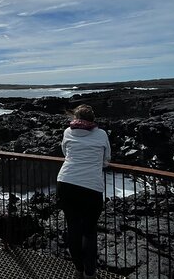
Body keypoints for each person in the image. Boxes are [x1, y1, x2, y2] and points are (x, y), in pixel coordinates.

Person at [56, 104, 111, 279]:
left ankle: (78, 270)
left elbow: (65, 152)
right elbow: (106, 160)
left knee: (73, 228)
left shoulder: (67, 132)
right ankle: (90, 273)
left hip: (66, 182)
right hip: (91, 188)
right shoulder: (101, 134)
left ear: (75, 118)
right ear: (93, 119)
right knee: (89, 231)